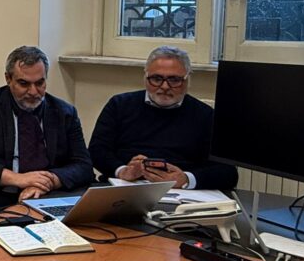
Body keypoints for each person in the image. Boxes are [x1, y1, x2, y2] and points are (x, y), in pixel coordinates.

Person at [0, 46, 93, 234]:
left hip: (44, 197)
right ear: (8, 79)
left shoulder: (64, 112)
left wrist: (48, 181)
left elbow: (83, 165)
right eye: (24, 84)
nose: (33, 92)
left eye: (40, 83)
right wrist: (18, 179)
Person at [89, 45, 238, 190]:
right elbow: (97, 151)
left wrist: (186, 179)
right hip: (125, 186)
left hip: (181, 192)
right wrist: (122, 171)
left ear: (187, 80)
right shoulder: (119, 105)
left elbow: (228, 172)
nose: (165, 86)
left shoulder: (206, 115)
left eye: (174, 80)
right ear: (145, 77)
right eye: (156, 78)